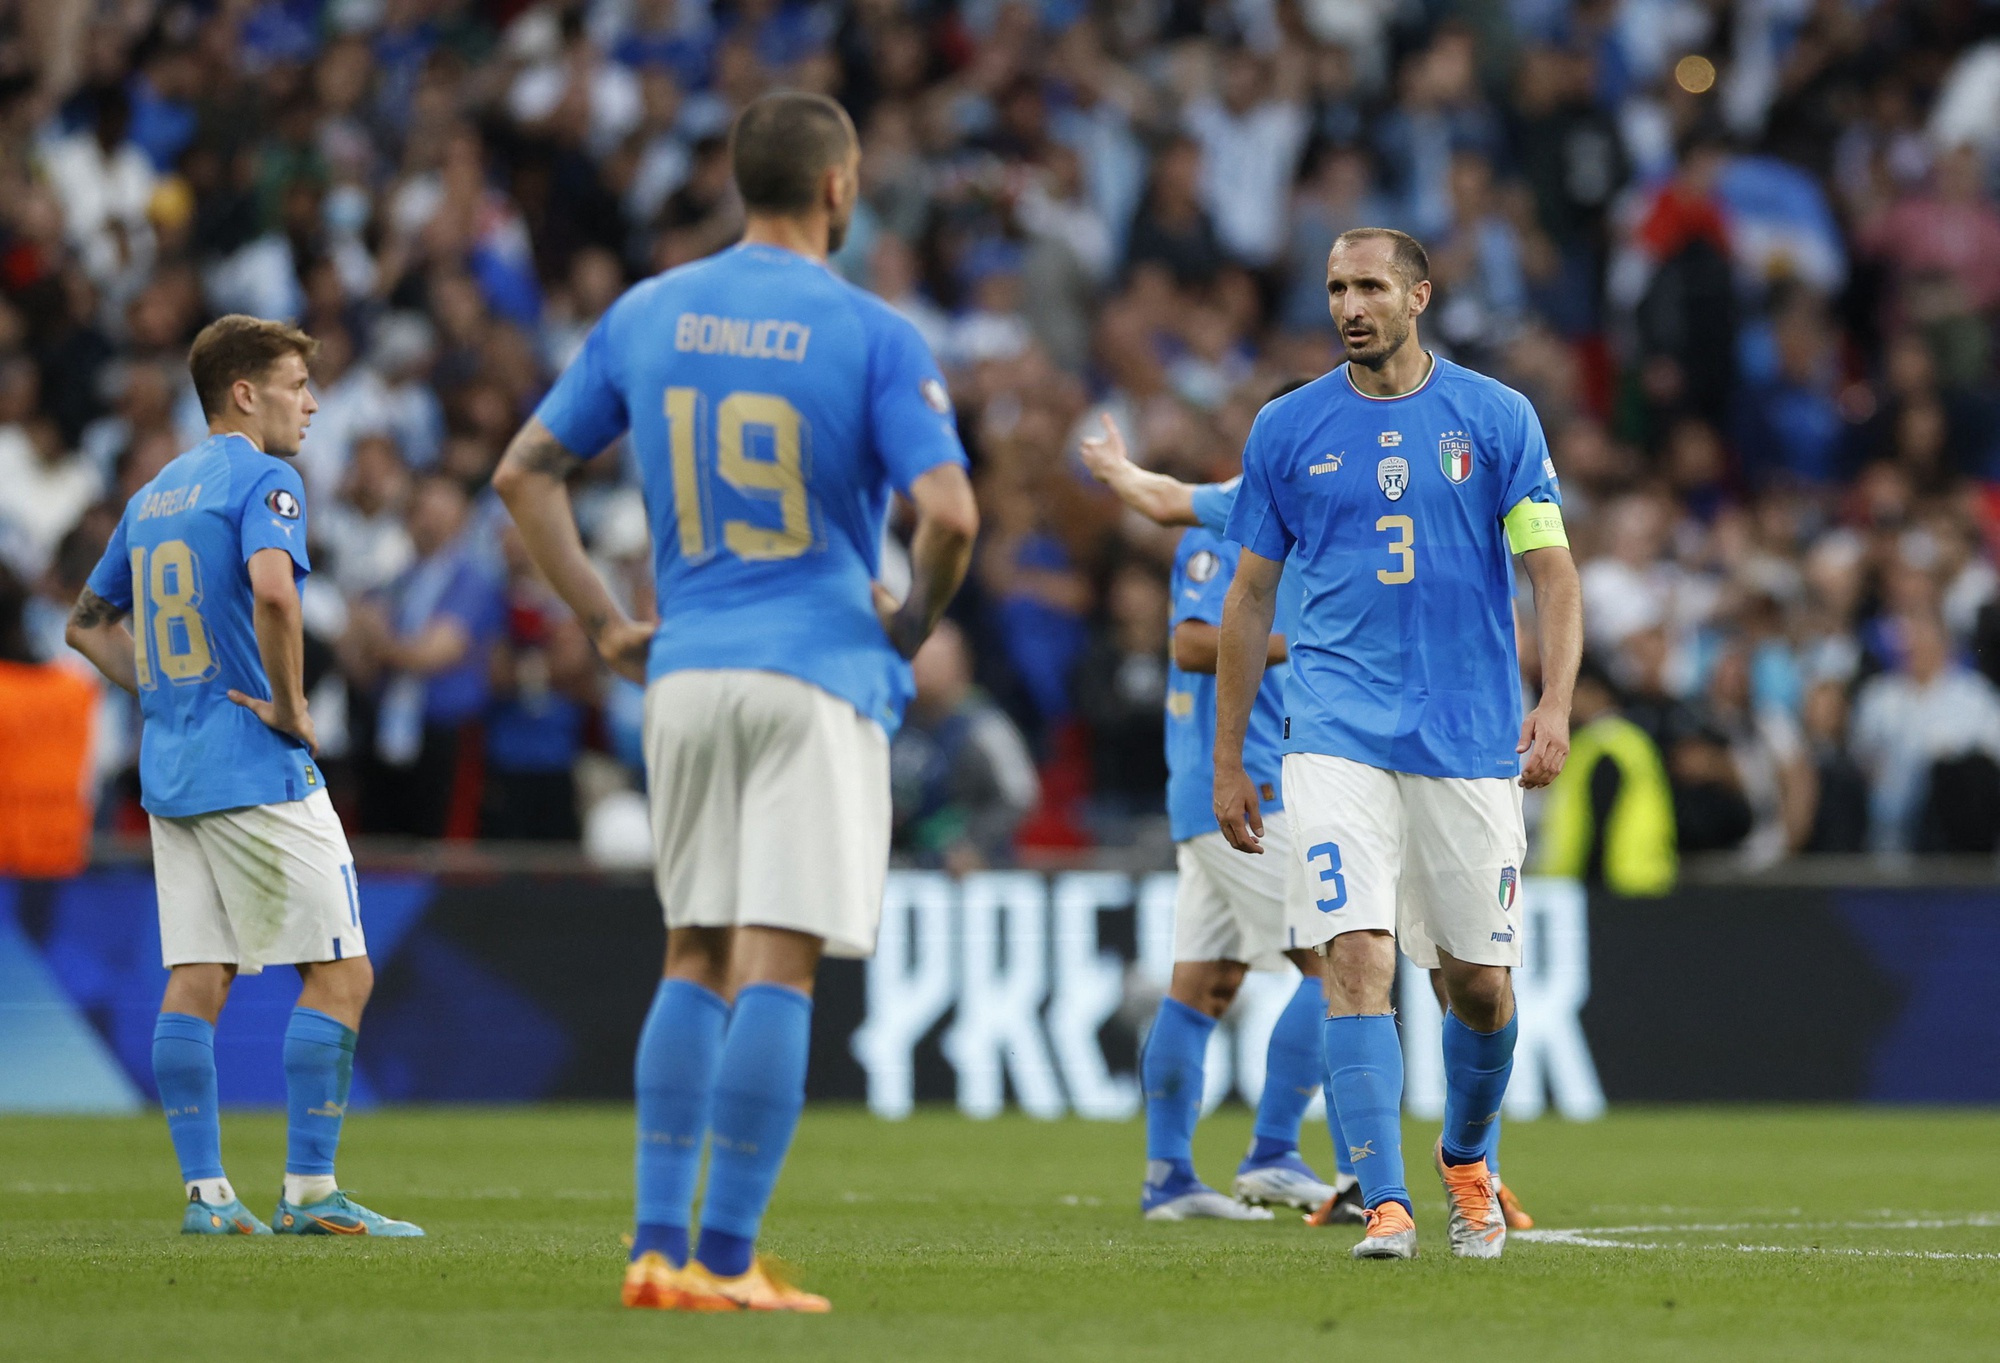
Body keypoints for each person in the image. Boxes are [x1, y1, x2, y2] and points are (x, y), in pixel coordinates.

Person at [493, 92, 978, 1312]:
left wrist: (605, 620)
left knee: (692, 949)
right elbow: (952, 515)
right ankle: (723, 1259)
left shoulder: (647, 313)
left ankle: (654, 1248)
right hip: (813, 669)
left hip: (684, 667)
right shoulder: (871, 332)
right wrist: (912, 625)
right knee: (777, 958)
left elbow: (524, 472)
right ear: (838, 188)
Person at [1214, 228, 1582, 1260]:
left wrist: (1553, 703)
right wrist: (1227, 755)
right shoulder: (1286, 428)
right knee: (1355, 957)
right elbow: (1247, 597)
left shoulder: (1494, 417)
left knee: (1478, 985)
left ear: (1417, 295)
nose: (1348, 304)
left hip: (1467, 738)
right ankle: (1383, 1200)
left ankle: (1465, 1158)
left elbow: (1550, 573)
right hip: (1331, 732)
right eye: (1333, 286)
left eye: (1368, 285)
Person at [63, 315, 420, 1239]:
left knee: (200, 976)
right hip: (257, 763)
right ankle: (309, 1193)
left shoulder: (152, 497)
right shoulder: (267, 478)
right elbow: (274, 589)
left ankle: (208, 1198)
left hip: (173, 771)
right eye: (298, 382)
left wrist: (168, 689)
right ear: (244, 393)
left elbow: (88, 621)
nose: (313, 401)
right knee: (342, 972)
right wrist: (294, 708)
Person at [1080, 407, 1356, 1225]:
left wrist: (1120, 473)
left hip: (1214, 791)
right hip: (1244, 788)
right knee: (1341, 964)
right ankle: (1282, 1154)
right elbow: (1195, 642)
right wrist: (1304, 637)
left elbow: (1168, 498)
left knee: (1202, 983)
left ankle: (1169, 1176)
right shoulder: (1241, 524)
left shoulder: (1266, 500)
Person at [1533, 656, 1677, 895]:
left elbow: (1599, 817)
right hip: (1632, 878)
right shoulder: (1626, 742)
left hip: (1614, 881)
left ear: (1593, 691)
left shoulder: (1605, 746)